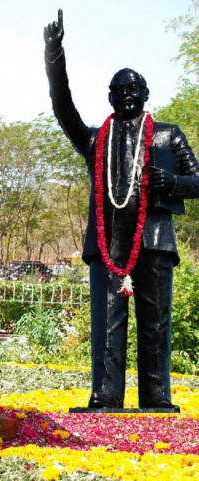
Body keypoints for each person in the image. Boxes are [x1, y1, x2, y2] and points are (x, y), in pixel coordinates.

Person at [44, 10, 199, 410]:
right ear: (109, 96)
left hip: (154, 240)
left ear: (146, 94)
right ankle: (106, 394)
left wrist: (175, 183)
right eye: (118, 89)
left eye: (134, 89)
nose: (126, 94)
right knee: (107, 323)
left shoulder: (168, 134)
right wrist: (53, 55)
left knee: (156, 322)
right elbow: (64, 110)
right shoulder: (97, 139)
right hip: (108, 241)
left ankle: (157, 397)